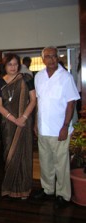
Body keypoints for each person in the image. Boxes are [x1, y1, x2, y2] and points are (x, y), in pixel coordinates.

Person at [33, 46, 80, 209]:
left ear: (57, 58)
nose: (51, 59)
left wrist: (65, 126)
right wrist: (35, 123)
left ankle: (63, 194)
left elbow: (71, 103)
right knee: (45, 162)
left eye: (54, 56)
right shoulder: (38, 77)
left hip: (60, 129)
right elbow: (38, 102)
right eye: (48, 56)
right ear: (43, 59)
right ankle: (47, 189)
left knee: (61, 163)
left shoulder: (65, 77)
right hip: (43, 128)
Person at [0, 53, 36, 199]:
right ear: (4, 66)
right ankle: (10, 188)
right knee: (9, 154)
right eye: (10, 64)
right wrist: (14, 119)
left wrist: (23, 117)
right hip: (8, 124)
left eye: (15, 64)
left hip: (24, 122)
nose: (13, 67)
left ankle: (24, 188)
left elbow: (33, 100)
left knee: (24, 154)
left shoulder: (26, 79)